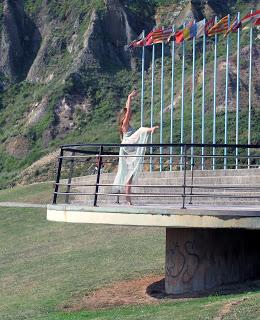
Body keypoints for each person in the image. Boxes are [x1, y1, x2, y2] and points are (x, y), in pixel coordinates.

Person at [113, 89, 159, 205]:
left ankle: (127, 197)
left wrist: (130, 99)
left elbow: (127, 110)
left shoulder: (125, 125)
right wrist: (129, 97)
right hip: (128, 143)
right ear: (125, 116)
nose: (131, 115)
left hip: (128, 146)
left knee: (130, 174)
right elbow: (128, 111)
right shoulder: (125, 123)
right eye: (128, 114)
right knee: (142, 129)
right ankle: (150, 129)